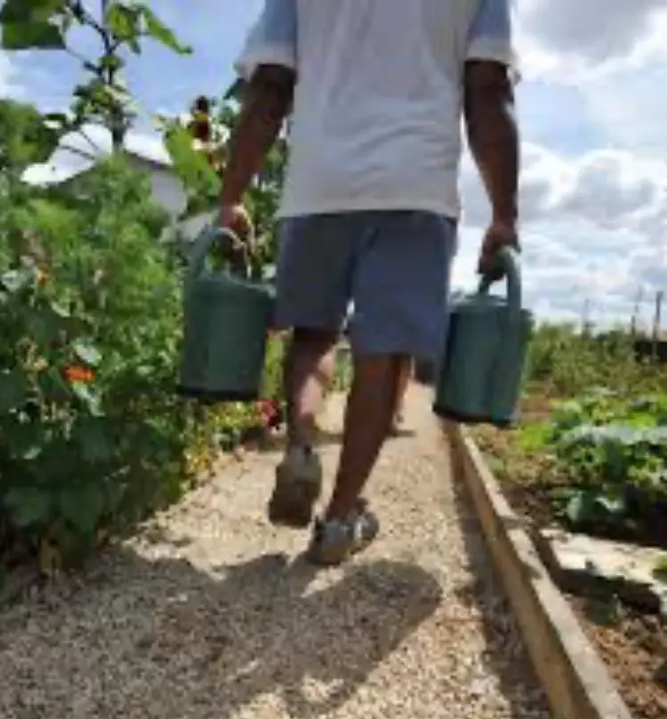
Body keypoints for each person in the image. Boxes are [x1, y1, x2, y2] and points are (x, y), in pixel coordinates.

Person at [217, 0, 520, 566]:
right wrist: (504, 214)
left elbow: (269, 89)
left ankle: (303, 444)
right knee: (385, 355)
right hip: (416, 185)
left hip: (317, 184)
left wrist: (232, 195)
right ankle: (339, 519)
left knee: (312, 336)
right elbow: (488, 91)